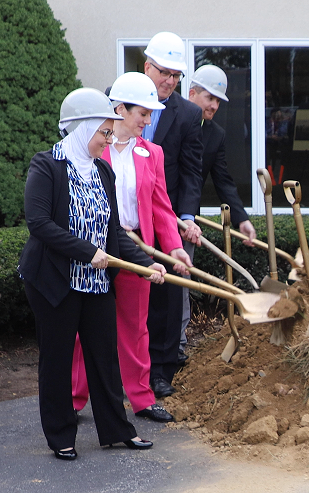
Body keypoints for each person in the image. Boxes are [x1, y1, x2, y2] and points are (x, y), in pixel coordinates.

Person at [19, 88, 167, 460]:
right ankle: (61, 436)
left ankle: (117, 429)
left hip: (96, 282)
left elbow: (114, 229)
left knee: (104, 356)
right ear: (82, 128)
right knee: (57, 358)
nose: (107, 139)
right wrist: (87, 252)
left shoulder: (102, 170)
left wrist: (148, 264)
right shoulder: (46, 165)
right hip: (55, 281)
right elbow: (39, 223)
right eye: (103, 131)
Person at [69, 73, 193, 424]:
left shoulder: (151, 153)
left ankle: (141, 398)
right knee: (85, 326)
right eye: (143, 113)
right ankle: (74, 399)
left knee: (136, 327)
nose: (148, 121)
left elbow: (161, 206)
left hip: (138, 249)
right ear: (120, 109)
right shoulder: (93, 146)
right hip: (95, 249)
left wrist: (174, 249)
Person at [141, 32, 204, 398]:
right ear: (147, 66)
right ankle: (124, 368)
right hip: (128, 218)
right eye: (164, 72)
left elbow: (192, 171)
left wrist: (186, 217)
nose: (170, 81)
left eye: (176, 75)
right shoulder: (118, 97)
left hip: (167, 219)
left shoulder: (189, 114)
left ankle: (161, 372)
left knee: (166, 298)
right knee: (130, 296)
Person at [185, 65, 258, 358]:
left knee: (181, 287)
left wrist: (242, 219)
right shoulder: (168, 119)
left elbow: (224, 180)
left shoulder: (215, 134)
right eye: (209, 97)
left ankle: (174, 355)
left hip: (187, 222)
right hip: (157, 215)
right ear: (192, 93)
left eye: (218, 100)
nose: (214, 105)